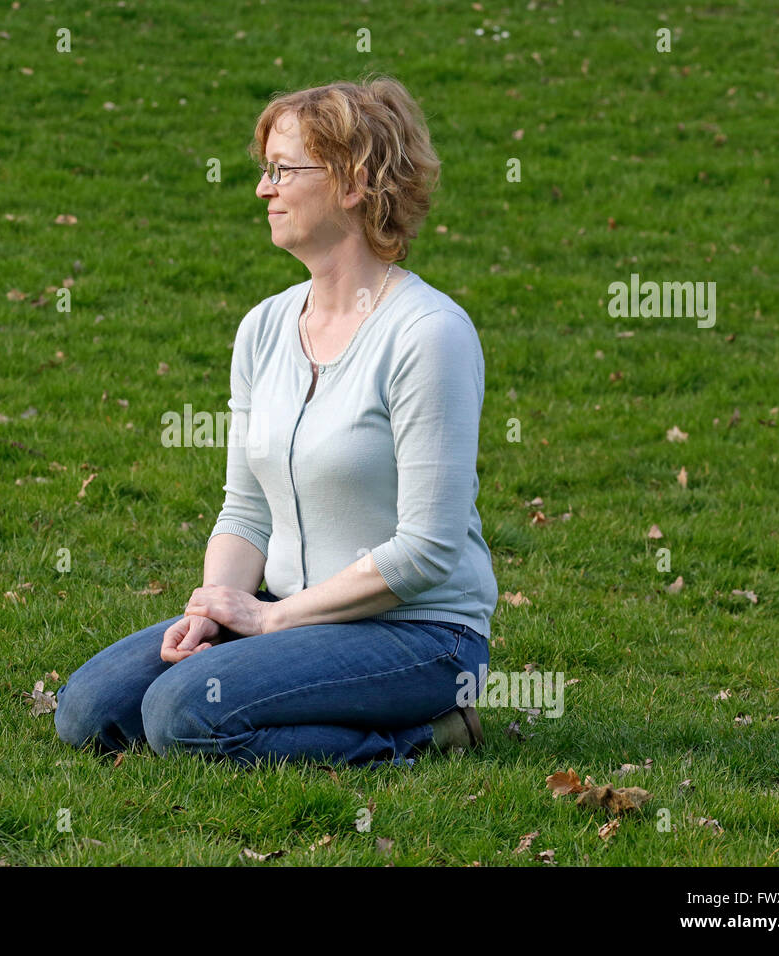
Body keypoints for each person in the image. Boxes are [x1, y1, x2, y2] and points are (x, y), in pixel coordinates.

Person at [55, 75, 498, 768]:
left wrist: (270, 620)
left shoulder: (428, 334)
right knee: (88, 710)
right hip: (289, 614)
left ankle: (430, 732)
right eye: (267, 171)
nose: (264, 189)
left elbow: (429, 550)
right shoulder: (263, 327)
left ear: (354, 183)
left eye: (284, 171)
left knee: (183, 716)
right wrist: (215, 607)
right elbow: (245, 510)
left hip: (419, 634)